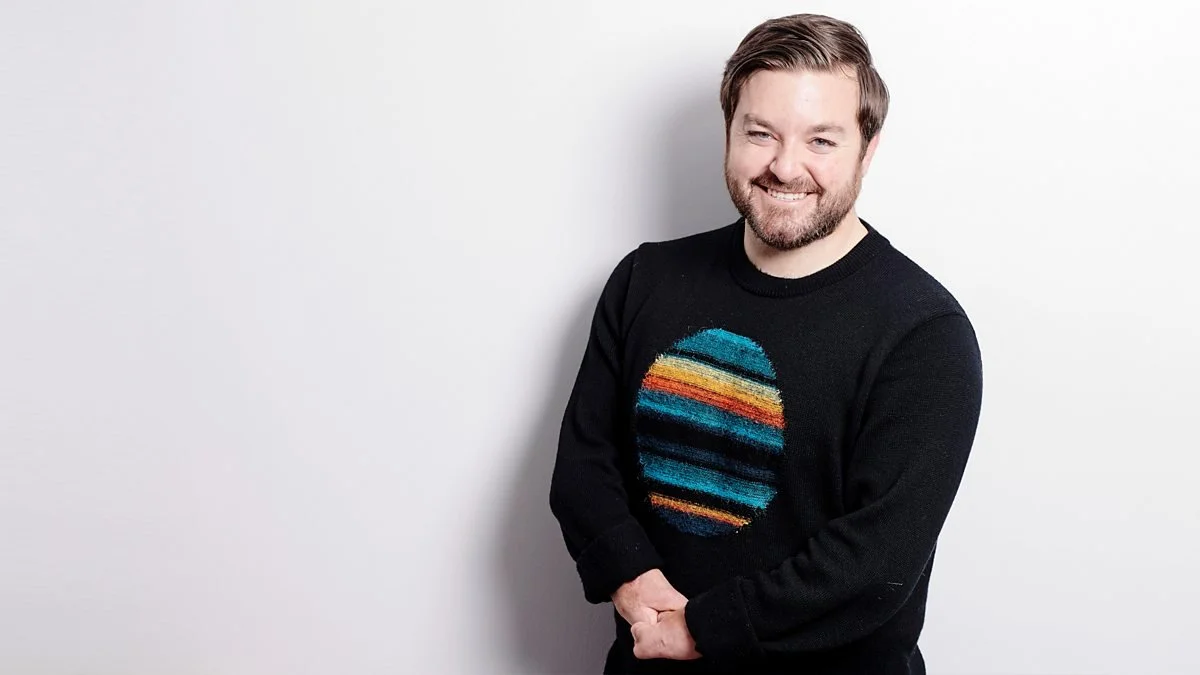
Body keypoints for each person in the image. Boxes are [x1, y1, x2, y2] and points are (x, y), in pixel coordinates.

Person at [548, 12, 984, 675]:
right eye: (761, 133)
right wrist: (632, 580)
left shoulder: (923, 332)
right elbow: (584, 467)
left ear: (868, 149)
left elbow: (875, 564)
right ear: (728, 132)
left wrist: (702, 629)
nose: (785, 166)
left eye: (822, 140)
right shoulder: (644, 281)